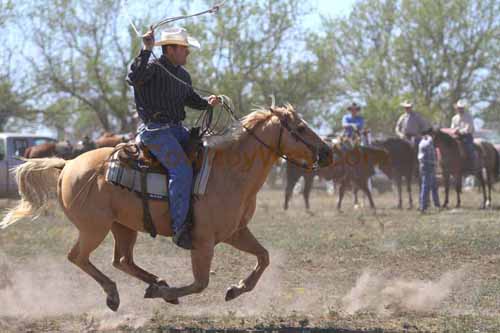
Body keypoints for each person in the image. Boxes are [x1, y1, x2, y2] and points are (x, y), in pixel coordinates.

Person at [127, 27, 220, 249]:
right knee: (182, 170)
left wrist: (208, 103)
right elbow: (134, 77)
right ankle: (180, 228)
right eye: (184, 48)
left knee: (208, 158)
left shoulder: (183, 75)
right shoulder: (151, 67)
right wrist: (146, 49)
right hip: (156, 131)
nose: (188, 53)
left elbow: (193, 100)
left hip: (177, 130)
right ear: (170, 49)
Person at [417, 132, 440, 212]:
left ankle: (436, 205)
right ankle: (423, 207)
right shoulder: (429, 143)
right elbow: (432, 157)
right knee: (426, 187)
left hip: (424, 166)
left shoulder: (422, 141)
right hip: (428, 166)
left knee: (433, 186)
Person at [450, 100, 476, 171]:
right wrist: (455, 131)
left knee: (469, 147)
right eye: (459, 108)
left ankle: (473, 165)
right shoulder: (454, 118)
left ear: (463, 108)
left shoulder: (468, 116)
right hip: (457, 136)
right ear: (457, 108)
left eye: (461, 108)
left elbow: (468, 128)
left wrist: (459, 131)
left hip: (467, 136)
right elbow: (452, 128)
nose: (460, 109)